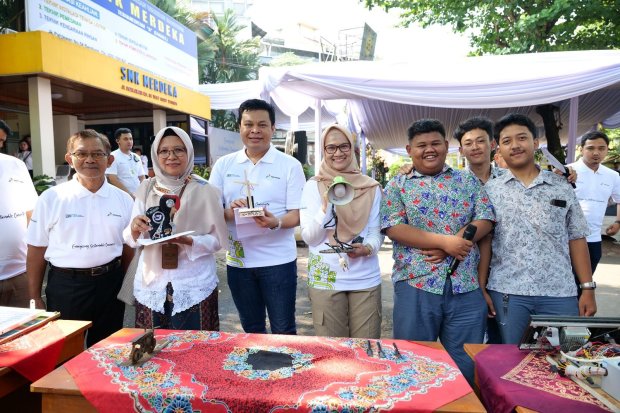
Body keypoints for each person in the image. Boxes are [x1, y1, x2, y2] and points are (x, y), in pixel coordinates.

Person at [381, 118, 495, 385]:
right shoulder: (398, 185)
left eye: (435, 143)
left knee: (465, 360)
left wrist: (455, 241)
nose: (429, 150)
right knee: (413, 358)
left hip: (465, 286)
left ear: (446, 146)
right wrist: (445, 243)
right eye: (421, 145)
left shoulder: (467, 181)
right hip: (416, 284)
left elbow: (486, 219)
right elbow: (394, 227)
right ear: (409, 150)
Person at [484, 113, 597, 345]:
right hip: (508, 293)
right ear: (498, 148)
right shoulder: (489, 190)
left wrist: (587, 288)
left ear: (535, 143)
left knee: (566, 359)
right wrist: (481, 288)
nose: (515, 145)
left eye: (522, 138)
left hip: (560, 292)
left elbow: (576, 237)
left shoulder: (561, 186)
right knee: (510, 361)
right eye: (506, 141)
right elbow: (484, 242)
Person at [27, 130, 134, 347]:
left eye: (98, 154)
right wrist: (34, 297)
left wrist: (127, 287)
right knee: (64, 355)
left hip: (110, 285)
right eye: (81, 153)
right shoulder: (51, 198)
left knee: (108, 351)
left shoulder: (124, 199)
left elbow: (128, 247)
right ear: (69, 158)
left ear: (110, 159)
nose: (90, 160)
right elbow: (36, 249)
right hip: (67, 287)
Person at [209, 99, 306, 335]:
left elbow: (299, 214)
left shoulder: (289, 165)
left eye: (262, 124)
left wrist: (277, 222)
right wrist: (228, 213)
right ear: (239, 128)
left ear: (273, 128)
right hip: (239, 262)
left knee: (283, 329)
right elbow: (210, 211)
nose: (255, 130)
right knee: (251, 330)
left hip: (278, 262)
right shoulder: (224, 165)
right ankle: (258, 372)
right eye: (248, 124)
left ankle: (285, 372)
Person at [125, 127, 227, 330]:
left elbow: (218, 240)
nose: (171, 156)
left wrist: (191, 241)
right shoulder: (146, 187)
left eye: (179, 150)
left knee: (195, 349)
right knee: (153, 351)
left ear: (189, 152)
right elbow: (130, 236)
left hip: (194, 281)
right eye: (164, 151)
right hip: (152, 282)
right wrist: (135, 229)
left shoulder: (206, 189)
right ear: (155, 154)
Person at [299, 124, 383, 338]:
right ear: (323, 152)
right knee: (332, 351)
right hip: (325, 278)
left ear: (352, 149)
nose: (338, 153)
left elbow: (376, 232)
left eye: (344, 146)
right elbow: (311, 238)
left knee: (366, 348)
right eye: (331, 148)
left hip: (365, 279)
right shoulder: (313, 186)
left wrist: (368, 248)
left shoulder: (370, 187)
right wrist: (325, 207)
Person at [567, 130, 620, 278]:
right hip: (566, 238)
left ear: (607, 150)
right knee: (564, 283)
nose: (596, 152)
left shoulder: (613, 176)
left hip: (593, 238)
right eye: (590, 148)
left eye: (601, 148)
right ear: (581, 149)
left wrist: (618, 222)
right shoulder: (567, 171)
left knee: (585, 283)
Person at [0, 129, 38, 307]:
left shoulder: (15, 165)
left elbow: (31, 213)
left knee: (25, 333)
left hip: (20, 273)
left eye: (1, 140)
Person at [106, 128, 145, 197]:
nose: (129, 141)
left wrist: (142, 193)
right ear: (118, 141)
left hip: (138, 196)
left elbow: (142, 177)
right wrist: (129, 195)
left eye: (131, 139)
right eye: (125, 139)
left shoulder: (136, 157)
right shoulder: (113, 156)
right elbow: (112, 179)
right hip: (122, 196)